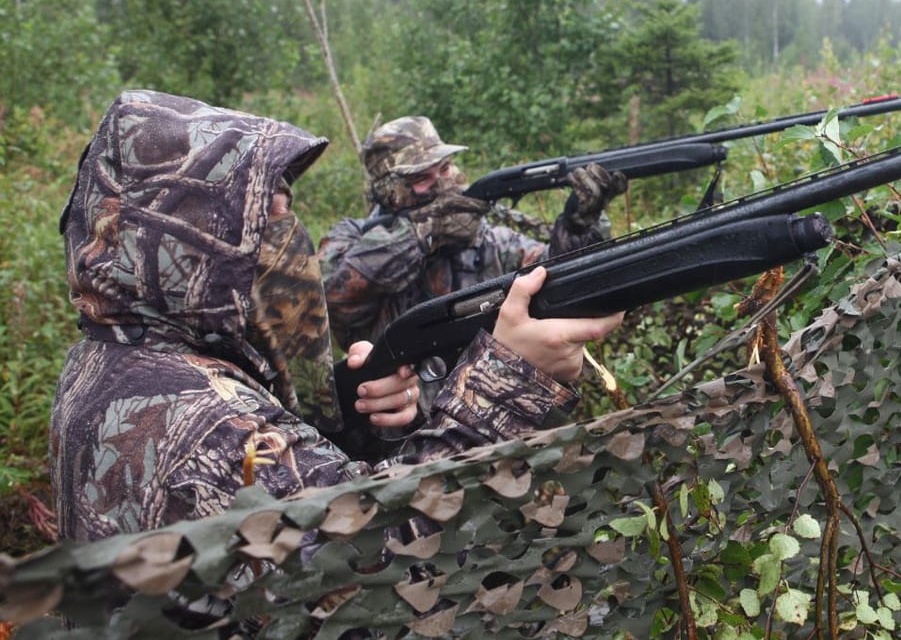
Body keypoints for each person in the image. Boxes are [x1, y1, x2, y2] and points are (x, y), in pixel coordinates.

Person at [50, 90, 624, 545]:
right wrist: (503, 388)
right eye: (262, 216)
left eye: (443, 172)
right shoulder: (205, 421)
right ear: (195, 237)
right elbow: (375, 556)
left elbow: (555, 283)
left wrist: (350, 432)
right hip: (451, 461)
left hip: (421, 445)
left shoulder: (117, 355)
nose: (284, 230)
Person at [319, 115, 627, 353]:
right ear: (390, 191)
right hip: (397, 420)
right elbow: (336, 295)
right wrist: (425, 233)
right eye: (422, 177)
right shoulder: (349, 238)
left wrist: (579, 226)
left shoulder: (486, 241)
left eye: (445, 168)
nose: (442, 183)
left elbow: (555, 278)